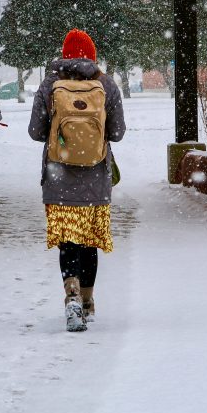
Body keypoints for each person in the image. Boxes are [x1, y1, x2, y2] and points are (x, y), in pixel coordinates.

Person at [28, 29, 125, 332]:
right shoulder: (106, 84)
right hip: (96, 179)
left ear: (64, 54)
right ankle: (87, 301)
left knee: (68, 241)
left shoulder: (50, 85)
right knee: (88, 243)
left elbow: (35, 132)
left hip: (59, 179)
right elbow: (118, 133)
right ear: (92, 55)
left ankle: (70, 295)